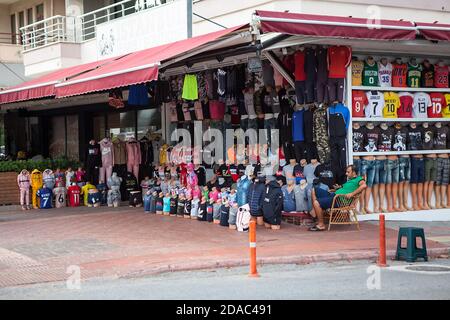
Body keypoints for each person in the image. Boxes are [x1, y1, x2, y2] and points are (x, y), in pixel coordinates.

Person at [309, 165, 366, 231]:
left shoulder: (358, 179)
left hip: (339, 200)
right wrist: (337, 188)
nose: (346, 174)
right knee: (314, 189)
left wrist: (352, 194)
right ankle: (315, 211)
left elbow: (364, 186)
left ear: (354, 172)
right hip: (333, 195)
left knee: (316, 203)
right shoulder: (350, 180)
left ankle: (321, 224)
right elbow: (345, 189)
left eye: (348, 172)